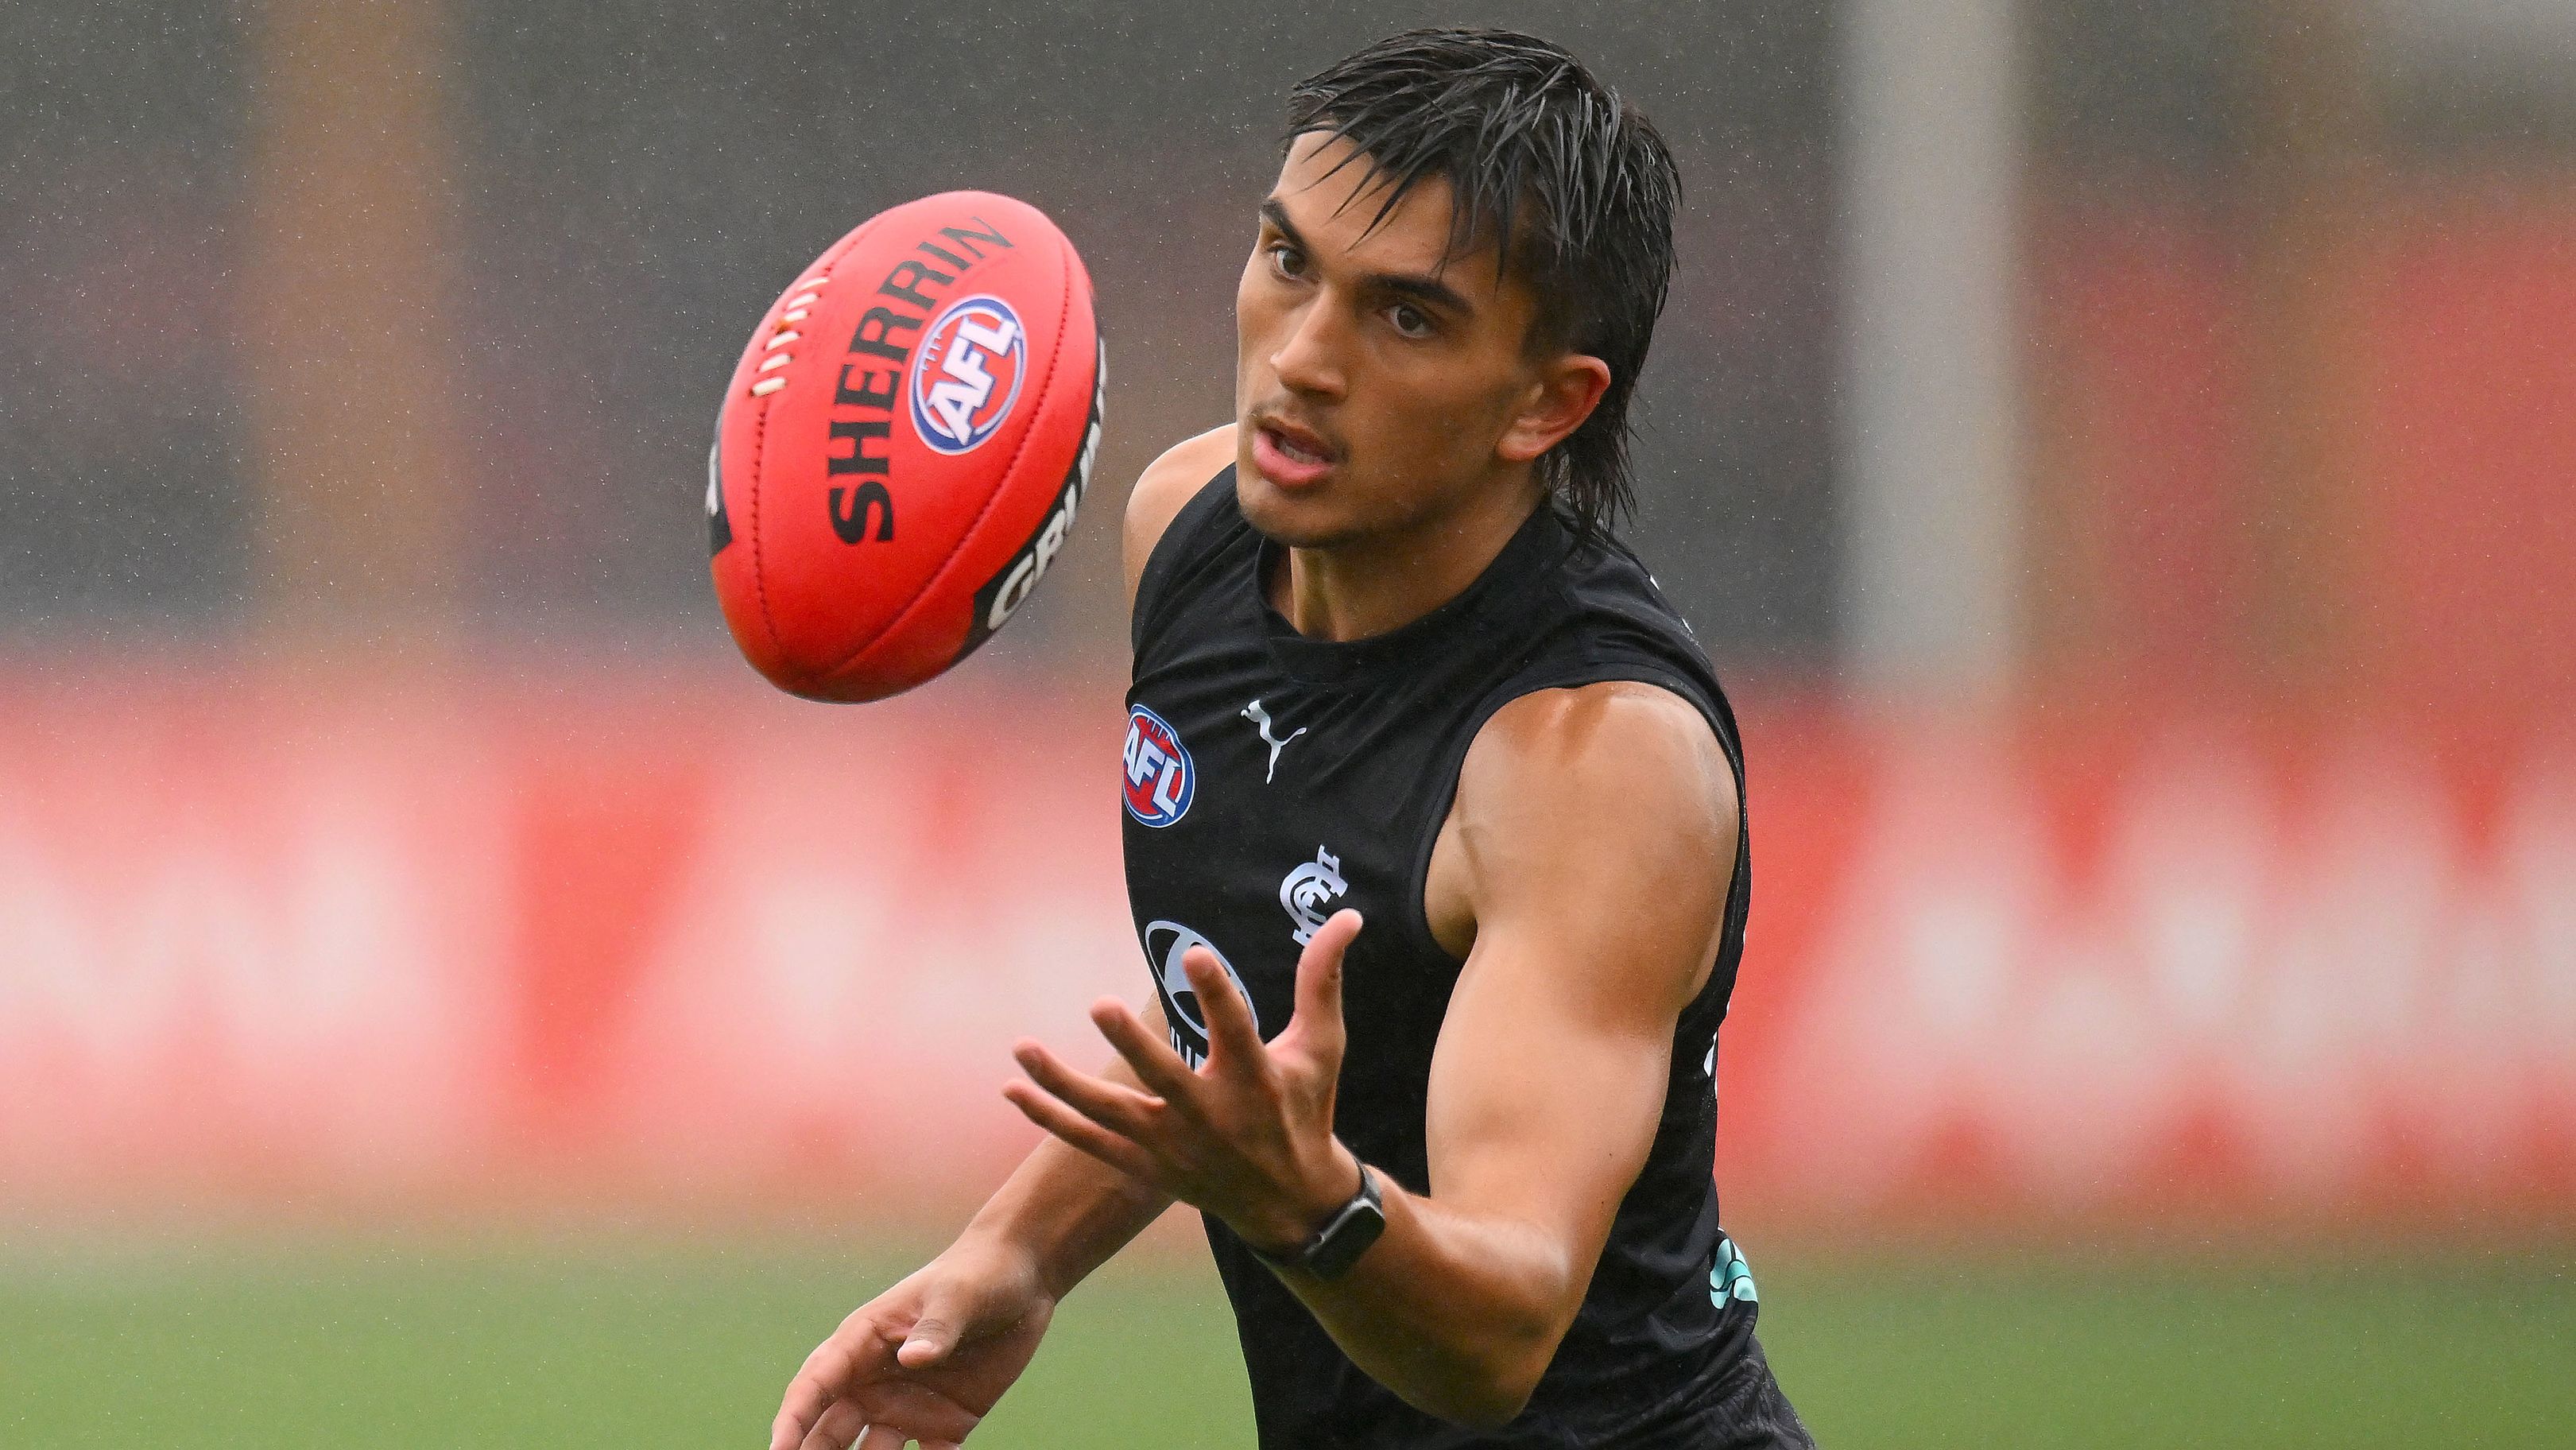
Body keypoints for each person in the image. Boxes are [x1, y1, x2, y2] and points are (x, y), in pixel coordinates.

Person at [771, 27, 1811, 1449]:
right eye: (1286, 261)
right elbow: (1255, 992)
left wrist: (1309, 1209)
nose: (1303, 358)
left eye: (1407, 318)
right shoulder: (1188, 531)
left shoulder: (1589, 765)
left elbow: (1505, 1331)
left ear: (1547, 403)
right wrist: (1016, 1259)